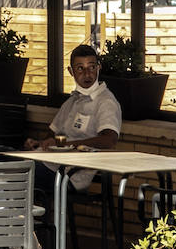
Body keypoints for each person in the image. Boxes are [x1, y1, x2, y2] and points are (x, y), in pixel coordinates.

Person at [25, 44, 122, 194]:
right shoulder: (72, 101)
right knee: (4, 159)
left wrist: (67, 144)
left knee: (18, 172)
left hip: (71, 175)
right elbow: (52, 135)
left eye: (91, 67)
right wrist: (39, 143)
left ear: (99, 68)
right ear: (71, 71)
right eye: (80, 68)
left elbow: (109, 140)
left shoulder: (105, 102)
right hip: (51, 164)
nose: (87, 74)